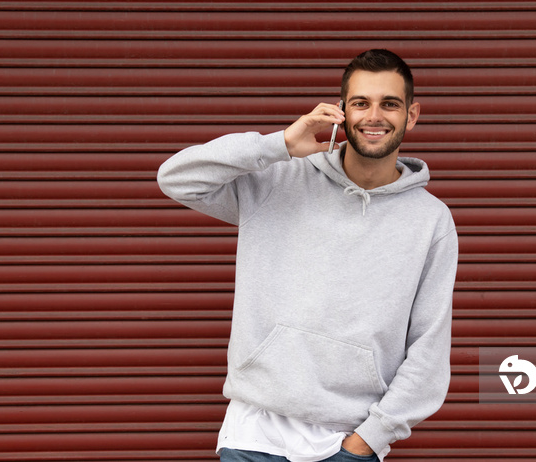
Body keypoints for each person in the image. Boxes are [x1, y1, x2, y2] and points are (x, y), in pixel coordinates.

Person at [157, 49, 458, 462]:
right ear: (340, 111)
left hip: (347, 441)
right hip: (254, 434)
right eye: (360, 103)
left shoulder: (431, 221)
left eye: (390, 103)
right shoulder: (280, 180)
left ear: (412, 114)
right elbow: (177, 178)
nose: (374, 116)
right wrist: (278, 144)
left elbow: (429, 347)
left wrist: (371, 438)